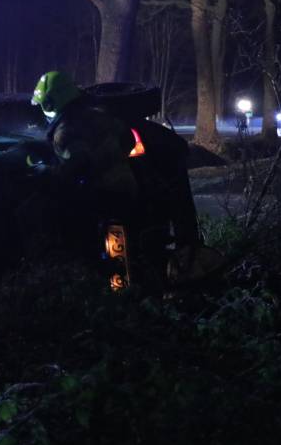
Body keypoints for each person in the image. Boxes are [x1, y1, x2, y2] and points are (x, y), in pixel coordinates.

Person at [30, 71, 210, 290]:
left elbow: (72, 169)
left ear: (51, 103)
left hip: (100, 201)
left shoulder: (64, 132)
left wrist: (43, 172)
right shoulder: (100, 116)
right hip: (132, 191)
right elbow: (124, 138)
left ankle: (96, 285)